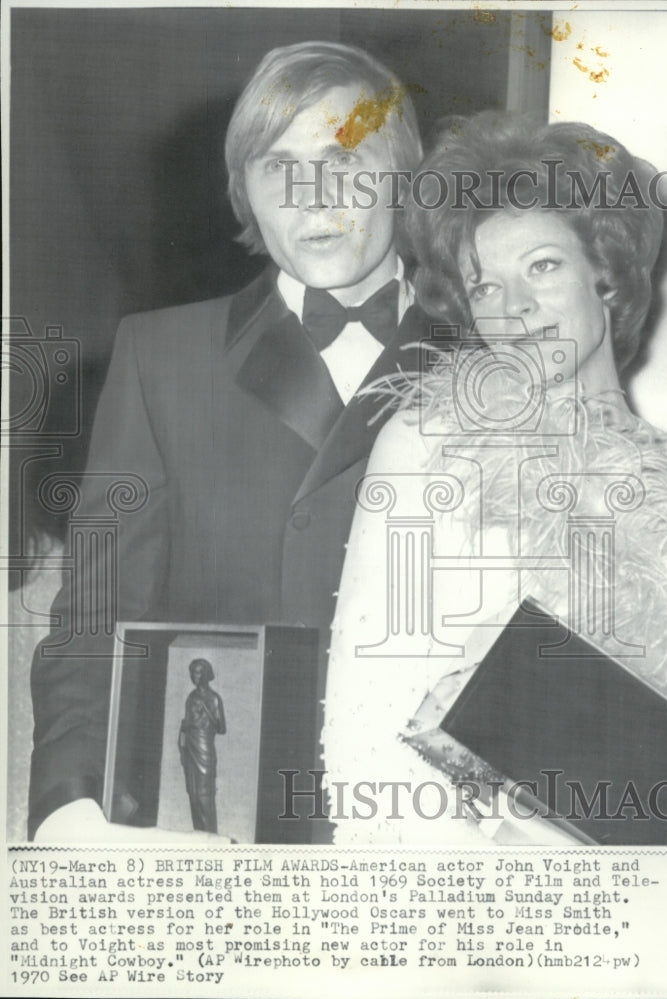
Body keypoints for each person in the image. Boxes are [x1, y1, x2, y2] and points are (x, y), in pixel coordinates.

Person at [30, 40, 426, 842]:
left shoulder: (492, 364)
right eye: (279, 166)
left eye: (345, 156)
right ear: (245, 192)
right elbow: (95, 613)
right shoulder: (159, 356)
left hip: (420, 832)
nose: (315, 197)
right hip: (211, 820)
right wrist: (68, 804)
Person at [322, 114, 667, 844]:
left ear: (605, 275)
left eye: (542, 266)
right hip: (493, 910)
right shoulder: (434, 443)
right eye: (483, 287)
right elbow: (362, 734)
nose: (511, 307)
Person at [179, 659, 226, 834]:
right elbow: (187, 724)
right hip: (191, 749)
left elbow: (222, 728)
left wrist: (207, 711)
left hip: (205, 750)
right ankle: (198, 835)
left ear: (206, 674)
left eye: (198, 672)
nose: (194, 676)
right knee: (194, 795)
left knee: (205, 796)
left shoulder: (214, 698)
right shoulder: (191, 698)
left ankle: (211, 837)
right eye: (192, 672)